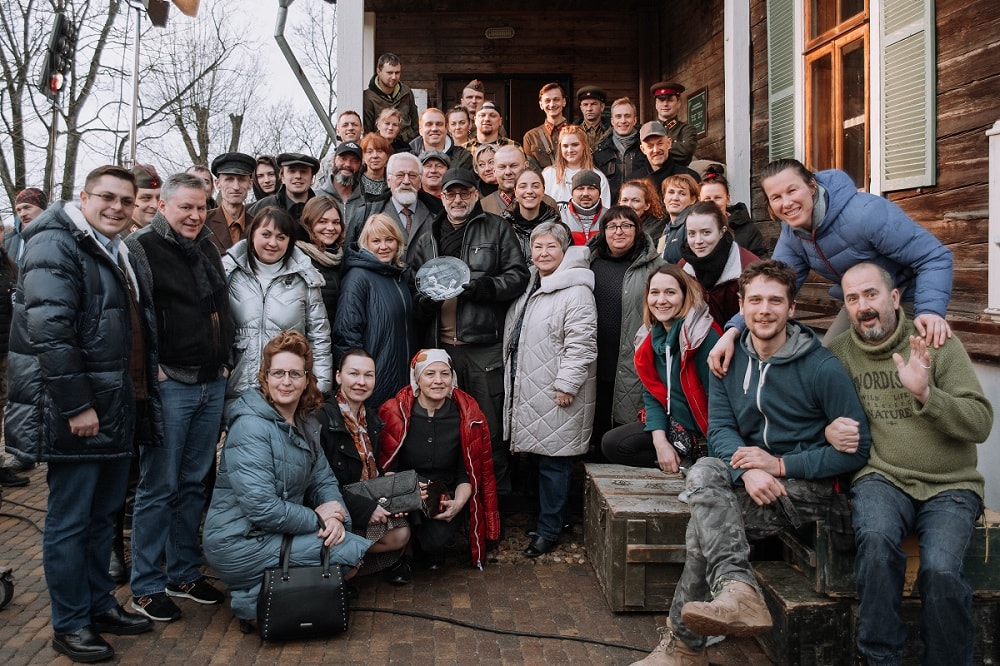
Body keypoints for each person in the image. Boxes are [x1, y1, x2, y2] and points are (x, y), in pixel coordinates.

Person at [632, 259, 871, 665]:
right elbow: (721, 431)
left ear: (791, 308)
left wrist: (778, 465)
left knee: (703, 531)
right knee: (705, 469)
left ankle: (687, 645)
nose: (764, 310)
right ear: (741, 306)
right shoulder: (727, 360)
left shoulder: (821, 367)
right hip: (753, 477)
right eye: (755, 300)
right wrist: (747, 470)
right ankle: (736, 590)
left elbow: (855, 450)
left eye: (775, 301)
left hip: (810, 490)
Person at [5, 165, 160, 662]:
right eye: (107, 197)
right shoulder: (56, 244)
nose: (117, 207)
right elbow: (50, 332)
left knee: (101, 516)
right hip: (79, 411)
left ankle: (99, 605)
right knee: (70, 520)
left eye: (126, 200)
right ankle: (70, 623)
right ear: (84, 196)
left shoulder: (112, 246)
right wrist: (77, 405)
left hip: (116, 404)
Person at [828, 263, 994, 666]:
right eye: (853, 298)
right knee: (876, 542)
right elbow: (814, 413)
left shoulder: (936, 343)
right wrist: (828, 430)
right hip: (882, 476)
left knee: (940, 570)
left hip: (950, 484)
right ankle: (880, 658)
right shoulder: (839, 355)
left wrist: (926, 395)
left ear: (894, 297)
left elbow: (980, 423)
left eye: (871, 294)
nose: (863, 306)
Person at [709, 158, 955, 377]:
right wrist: (732, 332)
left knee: (903, 369)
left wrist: (930, 310)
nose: (787, 203)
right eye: (776, 197)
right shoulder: (793, 235)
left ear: (812, 185)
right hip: (859, 301)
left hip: (907, 294)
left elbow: (934, 257)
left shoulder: (866, 214)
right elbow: (772, 287)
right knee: (827, 365)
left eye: (792, 190)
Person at [203, 331, 371, 633]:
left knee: (346, 544)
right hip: (238, 539)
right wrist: (318, 519)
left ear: (306, 380)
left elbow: (324, 480)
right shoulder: (250, 427)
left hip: (275, 531)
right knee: (349, 552)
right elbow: (261, 507)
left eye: (295, 374)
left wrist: (335, 516)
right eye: (278, 373)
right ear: (265, 378)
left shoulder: (306, 422)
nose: (286, 381)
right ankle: (253, 600)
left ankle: (266, 594)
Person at [124, 172, 235, 622]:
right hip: (171, 384)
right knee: (159, 487)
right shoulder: (141, 247)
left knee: (194, 483)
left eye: (200, 206)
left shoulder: (207, 244)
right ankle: (146, 585)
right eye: (185, 207)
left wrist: (225, 360)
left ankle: (184, 573)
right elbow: (136, 314)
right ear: (162, 206)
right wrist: (153, 370)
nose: (193, 215)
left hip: (211, 380)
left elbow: (219, 304)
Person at [407, 168, 530, 496]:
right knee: (446, 426)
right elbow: (413, 284)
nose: (458, 199)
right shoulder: (428, 235)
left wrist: (486, 287)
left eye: (465, 193)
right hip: (440, 349)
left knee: (489, 428)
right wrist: (425, 303)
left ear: (476, 194)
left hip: (482, 347)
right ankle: (454, 501)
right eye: (451, 194)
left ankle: (495, 504)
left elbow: (518, 275)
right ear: (442, 197)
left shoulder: (496, 228)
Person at [503, 223, 597, 557]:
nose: (543, 254)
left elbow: (581, 345)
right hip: (532, 384)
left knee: (555, 463)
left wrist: (567, 384)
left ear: (565, 250)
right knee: (541, 460)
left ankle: (548, 532)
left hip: (558, 389)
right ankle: (555, 521)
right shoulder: (533, 282)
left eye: (551, 247)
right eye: (538, 247)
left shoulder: (576, 290)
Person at [378, 349, 501, 570]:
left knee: (436, 543)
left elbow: (466, 473)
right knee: (406, 527)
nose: (438, 380)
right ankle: (404, 553)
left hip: (443, 493)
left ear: (452, 378)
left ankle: (430, 544)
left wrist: (458, 505)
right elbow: (386, 468)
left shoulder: (465, 416)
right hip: (405, 491)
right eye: (430, 374)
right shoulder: (395, 412)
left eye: (445, 374)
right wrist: (408, 491)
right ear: (417, 378)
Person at [601, 264, 717, 470]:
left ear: (685, 296)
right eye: (654, 293)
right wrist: (660, 442)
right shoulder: (649, 337)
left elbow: (720, 405)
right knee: (613, 444)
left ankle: (696, 463)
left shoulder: (702, 338)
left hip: (707, 433)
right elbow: (652, 395)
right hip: (676, 428)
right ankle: (677, 462)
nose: (661, 300)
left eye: (670, 292)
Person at [316, 349, 412, 584]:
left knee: (402, 531)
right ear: (338, 376)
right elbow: (321, 484)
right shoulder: (321, 419)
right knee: (395, 536)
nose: (361, 381)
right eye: (354, 374)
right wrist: (365, 510)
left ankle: (351, 559)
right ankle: (344, 562)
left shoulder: (369, 418)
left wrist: (393, 490)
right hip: (333, 507)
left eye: (368, 375)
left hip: (363, 497)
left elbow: (372, 472)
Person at [223, 207, 333, 409]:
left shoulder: (305, 278)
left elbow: (319, 336)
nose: (273, 243)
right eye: (266, 234)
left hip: (288, 390)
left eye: (281, 237)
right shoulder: (230, 273)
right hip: (239, 389)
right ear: (252, 235)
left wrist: (320, 386)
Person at [586, 206, 664, 456]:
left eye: (626, 226)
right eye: (612, 226)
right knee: (593, 434)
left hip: (632, 364)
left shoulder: (655, 267)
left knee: (620, 435)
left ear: (637, 230)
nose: (618, 231)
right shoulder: (587, 262)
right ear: (603, 232)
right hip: (594, 361)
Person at [333, 213, 415, 410]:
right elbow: (347, 334)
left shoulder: (398, 276)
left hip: (401, 382)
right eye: (376, 241)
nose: (383, 246)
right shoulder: (358, 278)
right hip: (373, 384)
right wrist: (357, 381)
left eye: (389, 240)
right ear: (366, 244)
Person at [678, 201, 759, 327]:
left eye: (706, 232)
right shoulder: (683, 268)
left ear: (722, 231)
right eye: (691, 233)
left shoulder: (748, 267)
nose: (698, 241)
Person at [297, 195, 346, 342]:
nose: (330, 228)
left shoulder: (341, 258)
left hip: (336, 343)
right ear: (309, 223)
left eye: (336, 222)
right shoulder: (299, 260)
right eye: (322, 222)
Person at [699, 164, 769, 258]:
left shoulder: (748, 230)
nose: (712, 203)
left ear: (728, 199)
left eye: (717, 198)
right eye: (707, 198)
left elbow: (761, 261)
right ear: (699, 200)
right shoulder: (694, 229)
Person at [593, 97, 649, 202]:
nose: (623, 121)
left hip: (640, 208)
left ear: (635, 120)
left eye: (627, 116)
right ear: (612, 121)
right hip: (611, 209)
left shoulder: (646, 148)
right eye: (618, 116)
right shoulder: (600, 151)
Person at [542, 125, 612, 208]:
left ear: (584, 146)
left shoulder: (598, 177)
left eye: (575, 145)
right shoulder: (549, 174)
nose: (570, 150)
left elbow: (604, 211)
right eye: (565, 146)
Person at [247, 152, 320, 227]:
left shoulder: (321, 209)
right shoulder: (261, 208)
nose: (298, 176)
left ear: (312, 178)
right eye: (292, 171)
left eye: (303, 171)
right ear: (282, 177)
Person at [503, 168, 561, 262]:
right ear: (515, 192)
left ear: (543, 191)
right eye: (523, 186)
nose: (529, 191)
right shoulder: (503, 227)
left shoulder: (558, 227)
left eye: (535, 186)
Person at [205, 152, 256, 254]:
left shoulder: (257, 225)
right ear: (217, 183)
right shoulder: (203, 223)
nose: (236, 187)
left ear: (250, 184)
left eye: (241, 180)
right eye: (229, 179)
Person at [363, 53, 420, 143]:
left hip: (407, 145)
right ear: (379, 71)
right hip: (382, 146)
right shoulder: (368, 97)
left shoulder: (406, 92)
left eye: (397, 73)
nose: (394, 77)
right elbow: (367, 132)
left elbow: (415, 123)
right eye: (389, 73)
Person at [632, 120, 701, 194]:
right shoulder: (634, 182)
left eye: (660, 144)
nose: (656, 150)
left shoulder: (690, 178)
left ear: (669, 143)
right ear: (643, 149)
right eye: (650, 146)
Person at [409, 107, 474, 173]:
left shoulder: (463, 157)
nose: (434, 129)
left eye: (439, 124)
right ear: (420, 130)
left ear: (446, 128)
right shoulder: (409, 157)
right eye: (429, 124)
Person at [316, 142, 366, 226]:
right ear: (333, 161)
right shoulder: (315, 196)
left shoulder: (366, 201)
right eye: (343, 159)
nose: (348, 164)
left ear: (360, 166)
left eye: (354, 161)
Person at [522, 82, 569, 170]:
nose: (552, 104)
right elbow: (531, 171)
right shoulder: (530, 137)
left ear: (564, 102)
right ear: (541, 105)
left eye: (556, 99)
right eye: (547, 101)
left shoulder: (578, 133)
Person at [649, 81, 698, 166]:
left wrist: (653, 149)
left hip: (679, 173)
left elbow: (686, 151)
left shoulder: (687, 130)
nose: (665, 104)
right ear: (656, 104)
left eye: (670, 100)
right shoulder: (647, 129)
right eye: (661, 100)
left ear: (678, 103)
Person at [658, 173, 701, 262]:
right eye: (671, 192)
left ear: (693, 199)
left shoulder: (692, 225)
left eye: (682, 194)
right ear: (664, 198)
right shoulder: (667, 228)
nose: (675, 198)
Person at [559, 170, 605, 245]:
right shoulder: (560, 218)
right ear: (572, 193)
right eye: (580, 189)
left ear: (599, 192)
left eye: (591, 188)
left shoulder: (609, 217)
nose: (585, 194)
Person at [619, 178, 668, 242]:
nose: (629, 205)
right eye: (625, 200)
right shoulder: (612, 226)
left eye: (635, 200)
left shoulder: (655, 230)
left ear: (647, 205)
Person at [575, 85, 612, 152]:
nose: (589, 109)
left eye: (593, 104)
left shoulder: (611, 131)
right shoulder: (573, 131)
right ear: (581, 108)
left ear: (602, 107)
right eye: (585, 105)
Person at [128, 165, 162, 233]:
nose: (155, 205)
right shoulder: (117, 235)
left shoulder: (165, 233)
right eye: (146, 198)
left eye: (159, 198)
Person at [360, 133, 392, 202]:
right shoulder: (354, 182)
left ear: (387, 155)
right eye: (369, 152)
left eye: (379, 151)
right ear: (363, 156)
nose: (375, 156)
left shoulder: (393, 182)